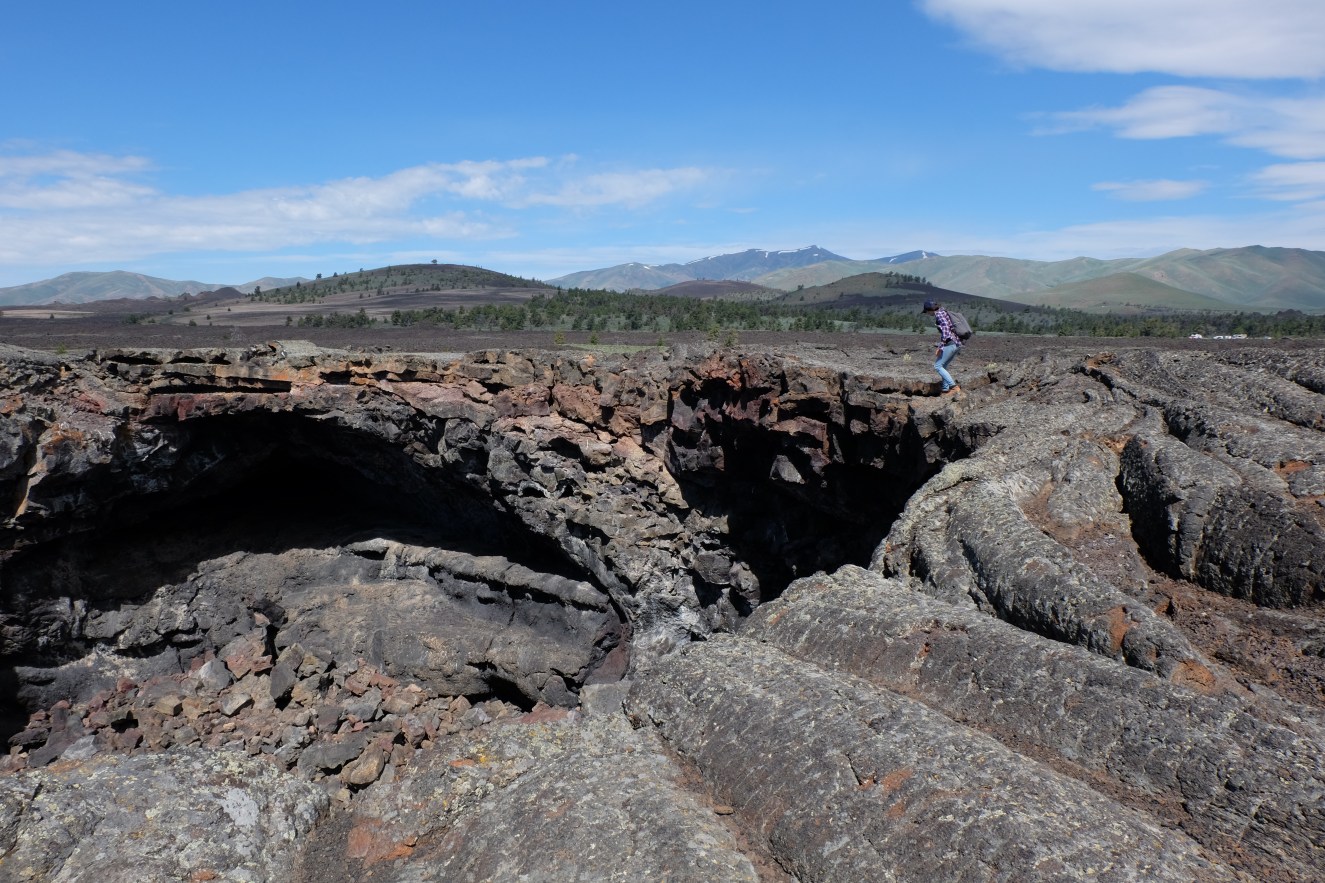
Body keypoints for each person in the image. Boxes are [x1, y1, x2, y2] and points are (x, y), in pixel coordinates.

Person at [922, 299, 962, 396]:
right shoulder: (943, 311)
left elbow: (946, 332)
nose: (927, 314)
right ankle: (945, 389)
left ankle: (954, 387)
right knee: (943, 365)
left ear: (930, 309)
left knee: (938, 366)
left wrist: (940, 347)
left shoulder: (939, 315)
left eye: (927, 311)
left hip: (951, 343)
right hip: (956, 343)